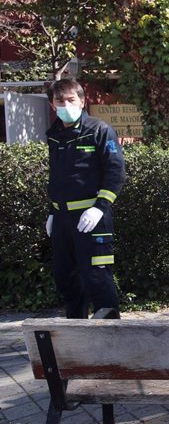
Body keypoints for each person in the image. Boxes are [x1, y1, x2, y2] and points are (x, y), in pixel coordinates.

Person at [45, 79, 126, 319]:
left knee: (97, 278)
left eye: (71, 99)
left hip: (92, 217)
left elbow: (116, 172)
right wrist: (52, 212)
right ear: (52, 105)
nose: (66, 105)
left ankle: (111, 339)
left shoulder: (100, 130)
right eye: (60, 101)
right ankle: (77, 337)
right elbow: (57, 176)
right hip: (62, 219)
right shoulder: (54, 135)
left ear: (82, 101)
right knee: (66, 279)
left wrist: (100, 207)